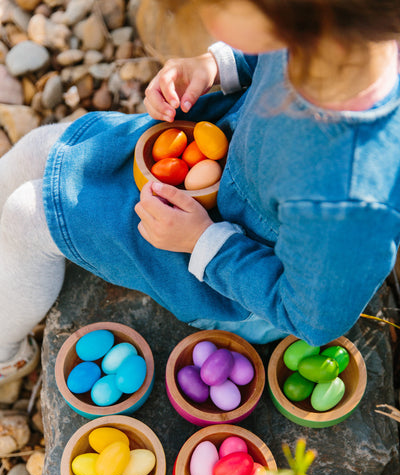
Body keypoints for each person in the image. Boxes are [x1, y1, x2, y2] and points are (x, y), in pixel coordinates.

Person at [1, 0, 400, 388]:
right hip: (223, 158)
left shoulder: (348, 199)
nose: (206, 17)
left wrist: (200, 240)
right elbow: (269, 56)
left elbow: (311, 317)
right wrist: (215, 66)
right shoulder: (336, 33)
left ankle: (5, 356)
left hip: (224, 272)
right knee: (39, 148)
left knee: (27, 215)